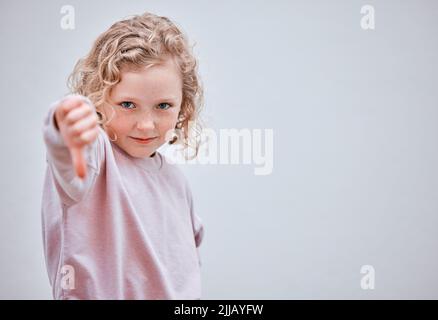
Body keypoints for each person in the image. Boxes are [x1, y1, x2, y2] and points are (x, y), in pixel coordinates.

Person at [41, 12, 205, 299]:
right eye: (128, 104)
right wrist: (66, 124)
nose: (146, 124)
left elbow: (188, 267)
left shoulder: (176, 181)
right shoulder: (97, 156)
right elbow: (71, 162)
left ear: (183, 106)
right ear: (99, 98)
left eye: (163, 105)